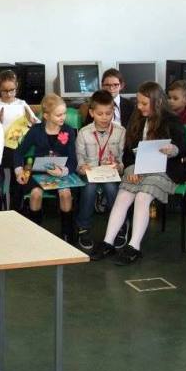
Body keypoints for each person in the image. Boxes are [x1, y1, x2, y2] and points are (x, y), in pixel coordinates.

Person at [91, 82, 186, 265]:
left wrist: (172, 149)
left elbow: (183, 149)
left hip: (165, 170)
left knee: (142, 197)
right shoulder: (137, 119)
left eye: (144, 103)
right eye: (138, 102)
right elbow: (128, 151)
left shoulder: (172, 121)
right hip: (139, 168)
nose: (140, 107)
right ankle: (108, 242)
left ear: (157, 102)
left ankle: (134, 246)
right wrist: (131, 169)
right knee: (123, 195)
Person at [14, 94, 78, 239]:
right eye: (58, 115)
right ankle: (35, 230)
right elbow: (19, 152)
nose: (63, 117)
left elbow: (73, 159)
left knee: (66, 194)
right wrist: (19, 171)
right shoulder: (36, 130)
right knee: (35, 194)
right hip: (38, 173)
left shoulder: (68, 131)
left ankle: (67, 231)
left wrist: (63, 171)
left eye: (64, 114)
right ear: (46, 115)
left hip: (61, 173)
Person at [75, 90, 126, 251]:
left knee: (111, 188)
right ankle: (83, 228)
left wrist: (118, 166)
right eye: (100, 114)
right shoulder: (83, 133)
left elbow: (123, 160)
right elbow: (79, 159)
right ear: (91, 113)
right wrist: (82, 168)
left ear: (113, 112)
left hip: (111, 174)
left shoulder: (120, 132)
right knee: (89, 188)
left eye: (108, 113)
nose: (104, 117)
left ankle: (120, 226)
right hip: (90, 173)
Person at [0, 69, 38, 209]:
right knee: (9, 162)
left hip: (18, 146)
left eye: (12, 90)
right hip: (0, 146)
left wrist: (31, 121)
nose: (8, 94)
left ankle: (15, 206)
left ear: (17, 86)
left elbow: (35, 124)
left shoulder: (21, 104)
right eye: (5, 91)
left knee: (18, 162)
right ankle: (2, 204)